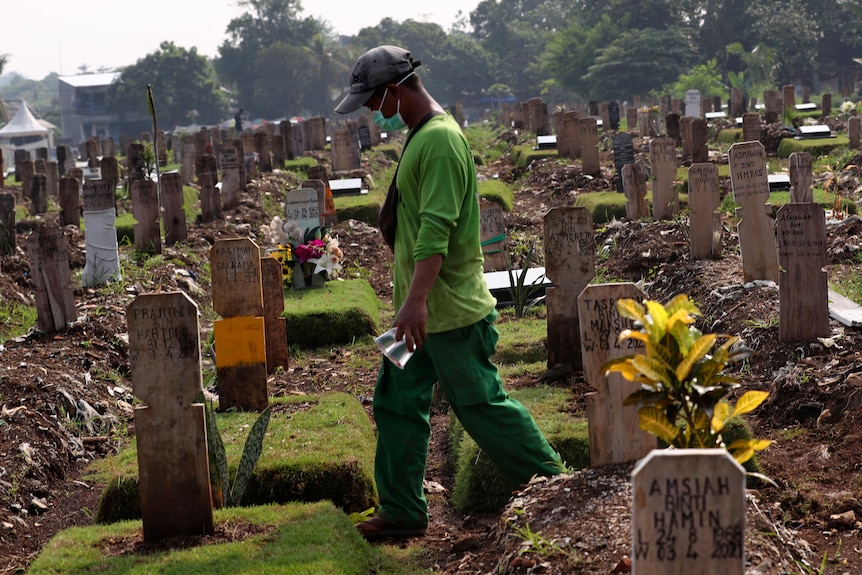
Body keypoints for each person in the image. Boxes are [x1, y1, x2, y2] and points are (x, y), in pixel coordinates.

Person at [335, 45, 562, 541]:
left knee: (481, 406)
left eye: (374, 100)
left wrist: (414, 301)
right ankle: (401, 509)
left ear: (395, 90)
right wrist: (411, 306)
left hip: (448, 314)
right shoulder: (421, 135)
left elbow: (436, 232)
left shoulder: (439, 141)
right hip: (419, 315)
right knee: (395, 402)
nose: (372, 111)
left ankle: (556, 487)